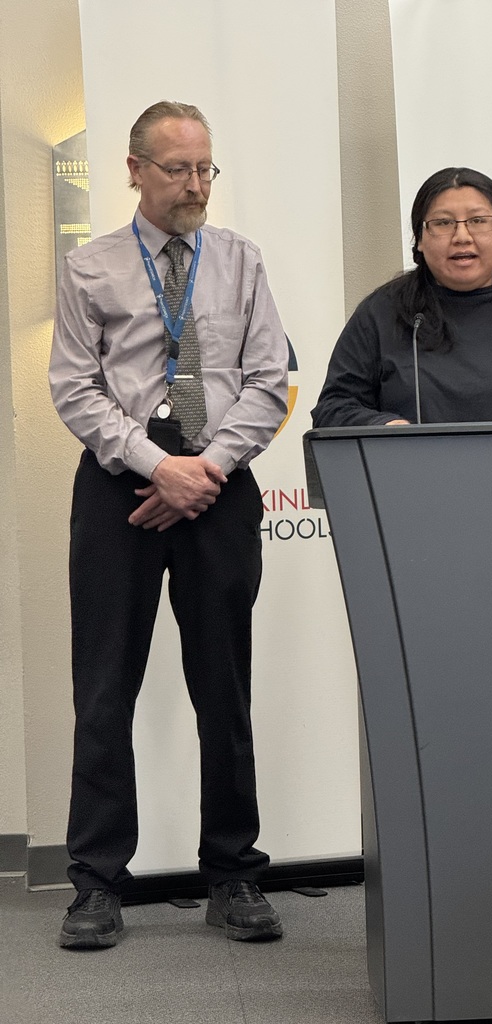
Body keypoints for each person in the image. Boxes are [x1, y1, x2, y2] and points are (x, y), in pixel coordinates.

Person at [49, 101, 289, 949]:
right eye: (177, 169)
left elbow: (268, 379)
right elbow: (75, 388)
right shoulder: (91, 268)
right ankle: (97, 884)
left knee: (224, 685)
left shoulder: (241, 261)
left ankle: (233, 871)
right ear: (134, 169)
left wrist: (207, 469)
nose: (194, 186)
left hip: (218, 483)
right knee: (104, 688)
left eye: (205, 169)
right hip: (122, 487)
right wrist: (158, 469)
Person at [311, 167, 492, 427]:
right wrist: (386, 429)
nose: (462, 236)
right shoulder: (381, 313)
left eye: (478, 220)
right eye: (443, 223)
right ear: (420, 239)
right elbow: (333, 409)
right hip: (409, 478)